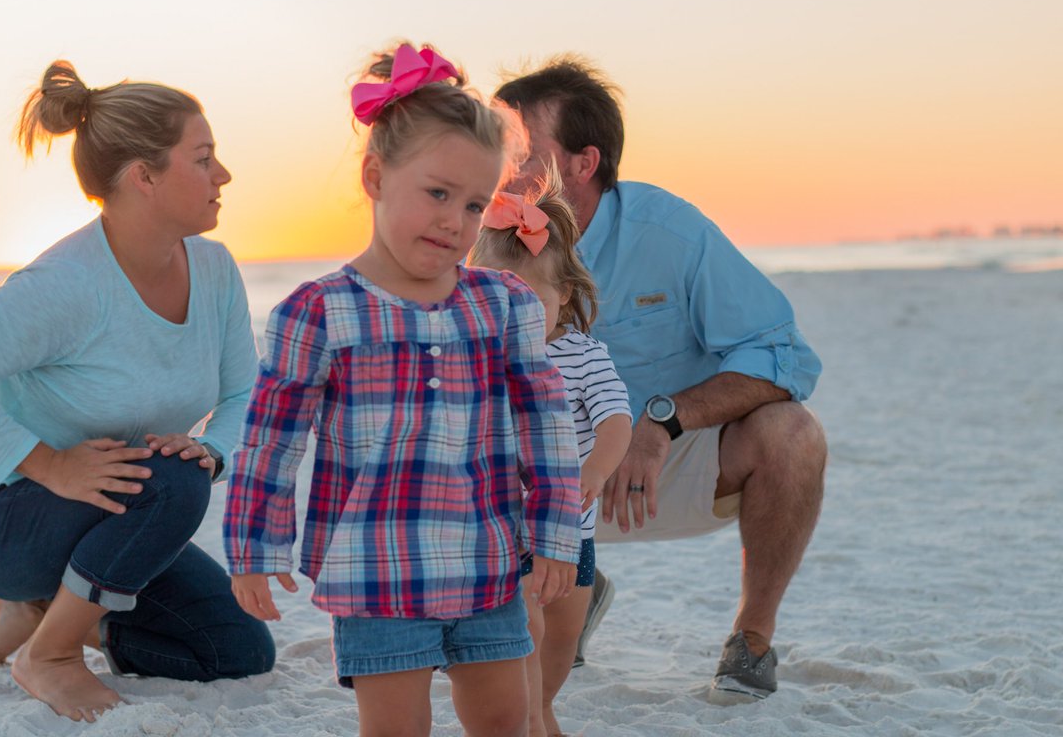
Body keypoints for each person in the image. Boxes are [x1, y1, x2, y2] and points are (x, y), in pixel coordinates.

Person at [223, 43, 582, 737]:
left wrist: (556, 534)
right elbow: (272, 438)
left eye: (476, 204)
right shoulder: (320, 311)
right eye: (438, 193)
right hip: (374, 571)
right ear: (375, 177)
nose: (455, 221)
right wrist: (255, 552)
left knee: (508, 719)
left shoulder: (501, 302)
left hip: (488, 559)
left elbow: (548, 422)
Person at [0, 61, 275, 722]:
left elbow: (247, 392)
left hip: (119, 515)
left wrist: (213, 451)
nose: (224, 176)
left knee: (236, 650)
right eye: (204, 158)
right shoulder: (66, 286)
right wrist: (50, 465)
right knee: (170, 481)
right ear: (144, 177)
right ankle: (50, 655)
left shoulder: (214, 270)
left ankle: (50, 618)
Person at [495, 57, 827, 703]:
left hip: (663, 466)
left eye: (523, 153)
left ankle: (752, 641)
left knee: (795, 437)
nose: (503, 169)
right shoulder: (477, 231)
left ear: (582, 164)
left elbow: (787, 356)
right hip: (530, 486)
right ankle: (568, 590)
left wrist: (662, 419)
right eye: (498, 148)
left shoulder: (671, 233)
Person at [469, 164, 632, 737]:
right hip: (505, 531)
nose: (510, 314)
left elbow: (615, 419)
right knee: (526, 629)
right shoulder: (475, 359)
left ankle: (544, 704)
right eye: (494, 298)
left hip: (573, 528)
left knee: (565, 630)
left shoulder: (583, 355)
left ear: (563, 298)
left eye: (528, 300)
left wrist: (595, 471)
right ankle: (528, 716)